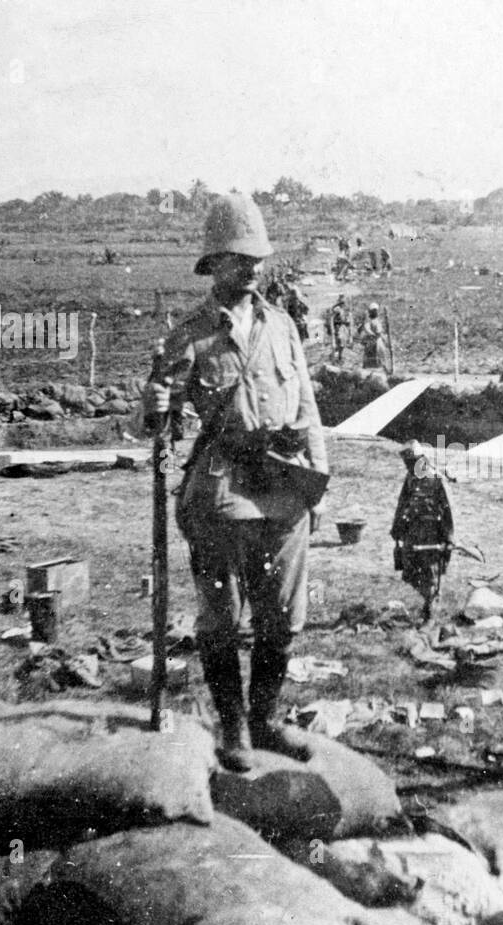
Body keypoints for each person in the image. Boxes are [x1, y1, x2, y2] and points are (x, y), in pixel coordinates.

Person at [143, 193, 328, 773]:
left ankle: (268, 718)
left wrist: (316, 482)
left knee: (283, 615)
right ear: (214, 264)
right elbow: (155, 423)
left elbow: (309, 408)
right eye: (238, 258)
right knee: (222, 618)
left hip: (284, 484)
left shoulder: (283, 326)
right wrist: (153, 407)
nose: (252, 268)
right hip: (223, 489)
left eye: (258, 258)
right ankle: (235, 727)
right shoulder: (190, 335)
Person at [391, 441, 454, 623]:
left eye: (411, 462)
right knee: (411, 571)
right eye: (407, 463)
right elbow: (402, 503)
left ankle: (431, 611)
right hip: (412, 532)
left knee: (430, 572)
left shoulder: (436, 478)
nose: (409, 467)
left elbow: (448, 509)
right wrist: (397, 528)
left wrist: (449, 536)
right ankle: (428, 603)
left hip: (432, 533)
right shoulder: (410, 478)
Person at [358, 303, 390, 372]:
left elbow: (380, 332)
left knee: (381, 356)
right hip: (373, 341)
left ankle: (384, 370)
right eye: (374, 311)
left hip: (377, 341)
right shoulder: (369, 321)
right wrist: (373, 334)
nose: (376, 313)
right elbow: (367, 329)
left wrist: (383, 338)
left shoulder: (377, 321)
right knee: (372, 357)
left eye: (376, 311)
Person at [327, 296, 351, 365]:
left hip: (344, 328)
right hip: (339, 327)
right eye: (342, 302)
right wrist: (333, 329)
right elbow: (333, 318)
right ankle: (335, 359)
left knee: (343, 344)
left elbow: (347, 319)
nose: (343, 304)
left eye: (344, 302)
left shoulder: (345, 310)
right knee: (338, 342)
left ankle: (340, 357)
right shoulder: (337, 309)